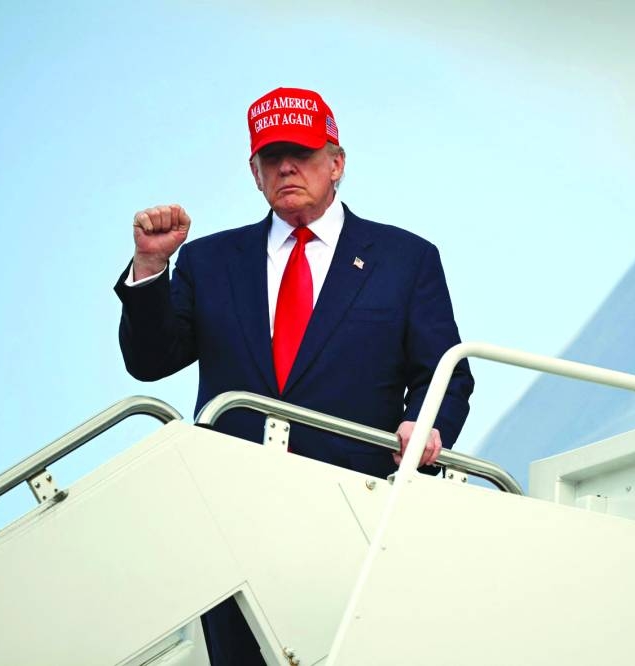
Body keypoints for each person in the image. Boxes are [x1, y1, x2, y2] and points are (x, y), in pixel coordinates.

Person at [113, 86, 473, 664]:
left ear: (337, 163)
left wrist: (424, 424)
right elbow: (150, 361)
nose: (286, 167)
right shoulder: (208, 260)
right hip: (232, 513)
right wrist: (153, 266)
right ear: (254, 174)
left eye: (302, 154)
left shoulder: (406, 258)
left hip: (354, 511)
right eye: (270, 157)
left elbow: (445, 374)